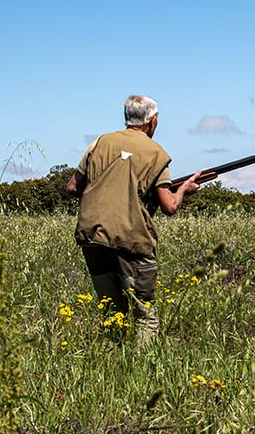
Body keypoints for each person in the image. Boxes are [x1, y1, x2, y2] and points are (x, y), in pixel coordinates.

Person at [67, 95, 212, 345]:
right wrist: (184, 189)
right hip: (131, 239)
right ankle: (142, 372)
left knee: (112, 310)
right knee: (145, 314)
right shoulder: (157, 153)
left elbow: (72, 187)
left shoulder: (101, 142)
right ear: (152, 121)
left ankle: (110, 365)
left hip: (92, 236)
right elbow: (169, 206)